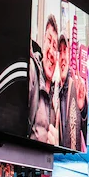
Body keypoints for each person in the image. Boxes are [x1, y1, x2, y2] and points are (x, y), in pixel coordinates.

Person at [29, 15, 60, 147]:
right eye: (49, 41)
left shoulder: (58, 94)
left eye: (56, 47)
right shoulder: (31, 70)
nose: (51, 52)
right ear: (43, 42)